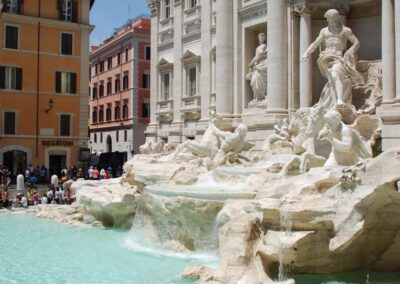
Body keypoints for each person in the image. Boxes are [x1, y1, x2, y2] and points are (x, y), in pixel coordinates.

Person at [300, 9, 364, 109]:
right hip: (325, 59)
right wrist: (306, 53)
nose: (330, 22)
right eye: (329, 20)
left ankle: (339, 100)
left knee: (335, 75)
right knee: (332, 79)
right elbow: (315, 44)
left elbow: (356, 43)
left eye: (332, 20)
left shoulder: (345, 30)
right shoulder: (324, 31)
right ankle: (335, 101)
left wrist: (351, 50)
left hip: (338, 58)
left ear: (337, 19)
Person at [246, 32, 268, 102]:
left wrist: (251, 63)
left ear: (265, 38)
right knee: (254, 81)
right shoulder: (258, 47)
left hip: (262, 66)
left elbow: (260, 55)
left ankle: (261, 98)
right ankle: (257, 98)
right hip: (257, 66)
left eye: (262, 36)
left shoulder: (264, 46)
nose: (261, 38)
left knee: (257, 79)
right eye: (260, 36)